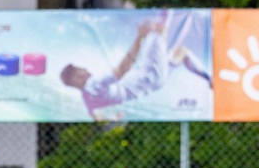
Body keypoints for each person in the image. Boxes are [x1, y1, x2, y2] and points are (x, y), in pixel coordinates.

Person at [59, 15, 210, 122]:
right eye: (81, 69)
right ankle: (169, 3)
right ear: (76, 78)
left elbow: (96, 117)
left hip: (154, 84)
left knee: (181, 52)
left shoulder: (87, 98)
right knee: (158, 29)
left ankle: (211, 79)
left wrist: (113, 119)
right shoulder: (94, 83)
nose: (85, 68)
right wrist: (139, 37)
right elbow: (122, 70)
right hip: (148, 75)